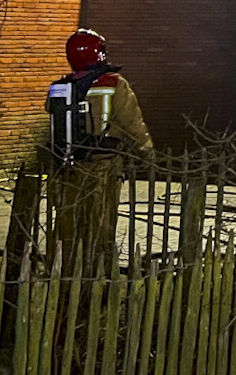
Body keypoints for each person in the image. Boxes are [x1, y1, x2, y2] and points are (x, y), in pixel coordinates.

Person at [45, 28, 154, 270]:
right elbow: (132, 124)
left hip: (66, 169)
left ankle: (63, 273)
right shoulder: (115, 84)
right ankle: (97, 279)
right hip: (103, 169)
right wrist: (148, 154)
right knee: (100, 226)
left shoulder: (59, 88)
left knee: (68, 225)